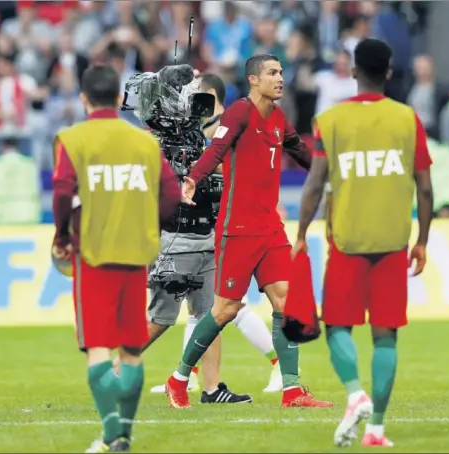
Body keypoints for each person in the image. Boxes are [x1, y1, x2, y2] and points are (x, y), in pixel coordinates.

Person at [165, 54, 333, 409]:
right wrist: (193, 179)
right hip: (237, 227)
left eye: (282, 72)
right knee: (224, 310)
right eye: (272, 73)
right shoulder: (240, 113)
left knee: (285, 302)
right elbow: (216, 150)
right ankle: (178, 379)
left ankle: (292, 390)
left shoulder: (278, 118)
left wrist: (333, 171)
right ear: (253, 80)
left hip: (270, 227)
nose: (280, 78)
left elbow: (302, 153)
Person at [294, 38, 433, 447]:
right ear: (389, 72)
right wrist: (422, 240)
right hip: (392, 241)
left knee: (338, 326)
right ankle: (377, 428)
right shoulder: (408, 119)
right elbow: (424, 188)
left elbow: (315, 184)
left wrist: (301, 234)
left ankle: (355, 394)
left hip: (347, 240)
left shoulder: (331, 120)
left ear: (353, 72)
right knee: (386, 335)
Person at [51, 65, 181, 453]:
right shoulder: (145, 141)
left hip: (94, 253)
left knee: (98, 349)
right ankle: (125, 431)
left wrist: (61, 235)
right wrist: (147, 223)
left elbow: (61, 192)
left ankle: (111, 434)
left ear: (83, 98)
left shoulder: (73, 139)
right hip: (136, 254)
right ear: (120, 100)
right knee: (132, 349)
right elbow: (172, 196)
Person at [146, 74, 284, 400]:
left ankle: (209, 378)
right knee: (211, 311)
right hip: (206, 229)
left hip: (224, 228)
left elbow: (240, 167)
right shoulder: (198, 131)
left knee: (221, 309)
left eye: (194, 92)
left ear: (208, 94)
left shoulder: (220, 128)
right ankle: (194, 379)